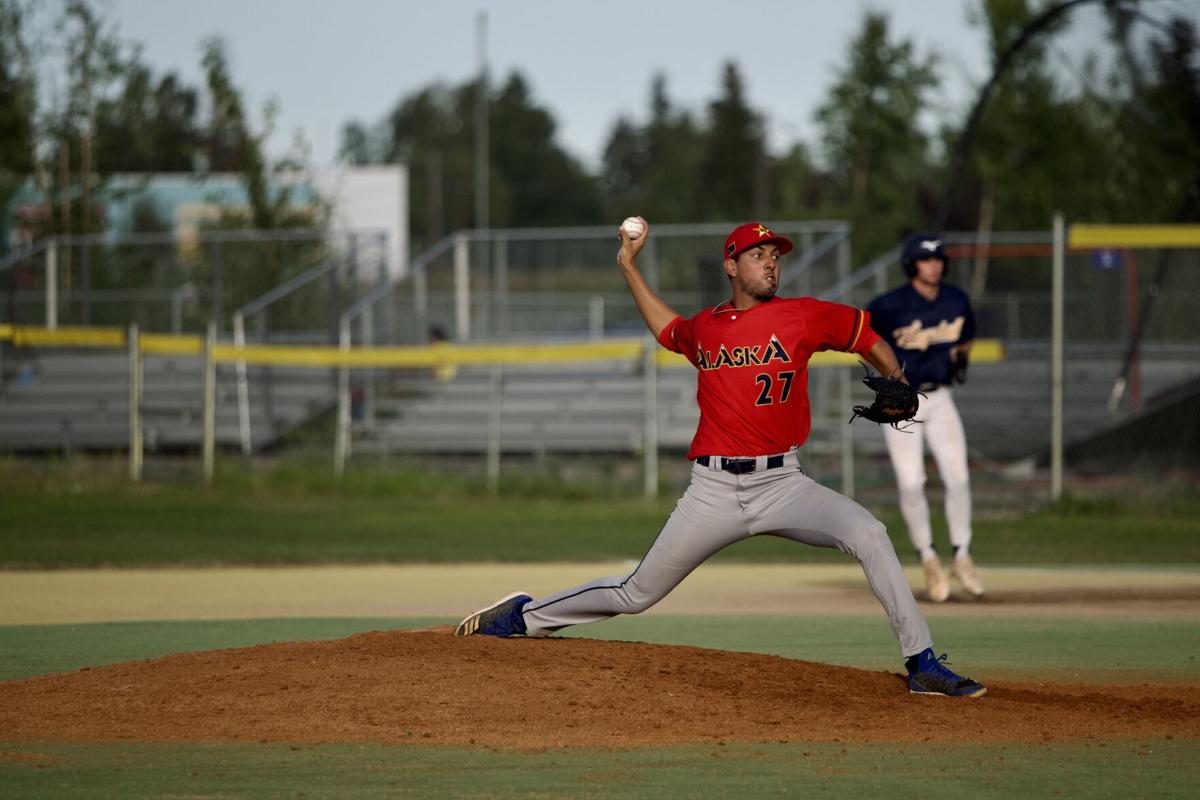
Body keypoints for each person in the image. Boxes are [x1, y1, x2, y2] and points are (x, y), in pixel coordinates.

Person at [456, 220, 986, 698]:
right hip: (712, 491)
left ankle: (921, 664)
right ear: (731, 266)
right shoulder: (707, 327)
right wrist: (628, 266)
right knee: (635, 593)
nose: (771, 261)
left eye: (774, 254)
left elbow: (866, 335)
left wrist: (896, 377)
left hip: (784, 484)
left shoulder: (802, 315)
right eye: (758, 254)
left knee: (870, 533)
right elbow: (667, 330)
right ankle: (523, 617)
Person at [867, 233, 983, 603]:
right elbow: (866, 339)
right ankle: (929, 558)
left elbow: (966, 334)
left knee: (959, 477)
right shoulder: (890, 305)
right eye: (925, 259)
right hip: (903, 399)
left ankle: (962, 555)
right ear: (911, 264)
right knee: (912, 482)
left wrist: (961, 357)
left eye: (937, 259)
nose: (933, 265)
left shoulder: (955, 299)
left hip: (941, 397)